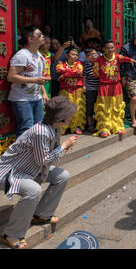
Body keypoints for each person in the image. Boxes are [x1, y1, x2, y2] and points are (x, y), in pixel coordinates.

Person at [0, 96, 78, 249]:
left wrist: (62, 147)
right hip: (10, 172)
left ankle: (41, 214)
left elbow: (46, 160)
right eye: (69, 113)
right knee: (33, 190)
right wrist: (63, 146)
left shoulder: (54, 128)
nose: (71, 115)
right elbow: (43, 160)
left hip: (30, 169)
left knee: (62, 176)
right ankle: (11, 234)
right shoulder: (41, 132)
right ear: (60, 117)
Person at [7, 26, 50, 137]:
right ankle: (21, 154)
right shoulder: (22, 55)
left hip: (37, 98)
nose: (42, 36)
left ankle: (34, 153)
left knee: (39, 128)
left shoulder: (40, 56)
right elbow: (11, 77)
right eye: (39, 34)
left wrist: (43, 92)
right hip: (22, 99)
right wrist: (35, 80)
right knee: (26, 129)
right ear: (30, 39)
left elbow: (38, 77)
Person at [93, 40, 136, 138]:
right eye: (108, 47)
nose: (110, 49)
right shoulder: (99, 60)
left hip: (116, 86)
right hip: (104, 87)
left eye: (112, 47)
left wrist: (131, 60)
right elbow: (95, 73)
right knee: (104, 107)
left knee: (117, 106)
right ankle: (104, 128)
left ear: (114, 48)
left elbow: (125, 59)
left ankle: (117, 126)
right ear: (104, 49)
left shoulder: (117, 57)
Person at [56, 47, 85, 135]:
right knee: (64, 109)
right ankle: (63, 128)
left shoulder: (79, 64)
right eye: (73, 54)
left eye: (76, 55)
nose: (75, 56)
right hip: (65, 90)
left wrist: (65, 75)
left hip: (77, 90)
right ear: (67, 55)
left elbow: (79, 72)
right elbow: (58, 70)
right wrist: (72, 72)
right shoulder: (61, 63)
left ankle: (76, 126)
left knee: (77, 108)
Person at [82, 48, 100, 133]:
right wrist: (84, 86)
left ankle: (99, 125)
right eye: (90, 55)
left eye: (95, 54)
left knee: (99, 107)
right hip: (90, 89)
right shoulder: (86, 65)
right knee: (90, 107)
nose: (93, 56)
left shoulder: (100, 63)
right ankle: (90, 126)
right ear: (86, 57)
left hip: (100, 89)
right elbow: (84, 76)